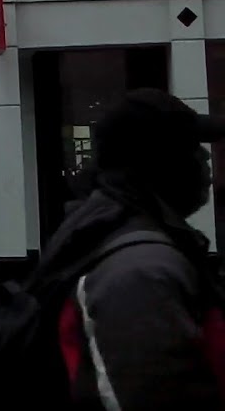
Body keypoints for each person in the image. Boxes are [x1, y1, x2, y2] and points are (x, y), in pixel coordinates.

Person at [44, 88, 225, 405]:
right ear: (160, 162)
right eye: (192, 147)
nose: (205, 157)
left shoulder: (131, 241)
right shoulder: (142, 272)